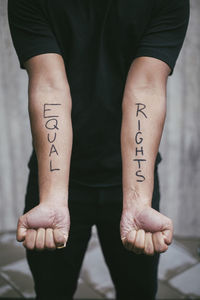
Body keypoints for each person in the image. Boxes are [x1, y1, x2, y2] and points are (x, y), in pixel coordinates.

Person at [7, 0, 189, 299]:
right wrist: (52, 199)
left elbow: (145, 87)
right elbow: (49, 86)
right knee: (52, 292)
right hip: (56, 182)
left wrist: (138, 202)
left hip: (132, 181)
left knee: (138, 292)